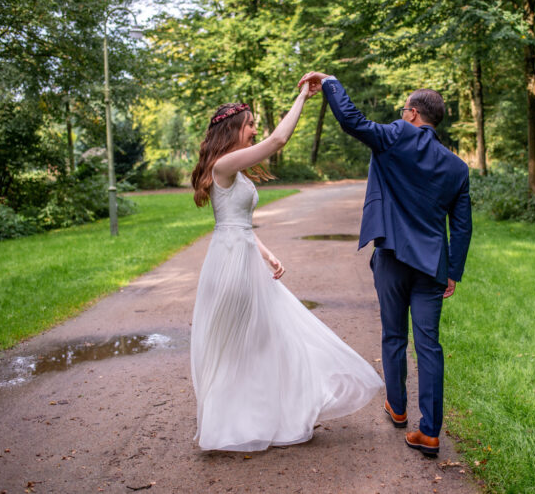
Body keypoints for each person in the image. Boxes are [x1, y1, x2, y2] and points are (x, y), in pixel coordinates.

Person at [189, 82, 383, 452]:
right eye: (249, 124)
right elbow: (278, 140)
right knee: (249, 340)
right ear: (233, 129)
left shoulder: (235, 171)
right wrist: (302, 97)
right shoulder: (224, 165)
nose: (254, 130)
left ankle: (259, 416)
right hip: (231, 265)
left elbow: (237, 223)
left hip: (242, 255)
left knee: (260, 339)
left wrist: (266, 253)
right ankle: (234, 423)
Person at [298, 72, 472, 456]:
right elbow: (461, 227)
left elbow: (351, 121)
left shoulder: (395, 136)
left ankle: (397, 408)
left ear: (412, 114)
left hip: (392, 256)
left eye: (403, 110)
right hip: (431, 265)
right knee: (429, 345)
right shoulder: (457, 167)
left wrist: (330, 81)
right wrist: (453, 272)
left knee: (394, 335)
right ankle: (430, 432)